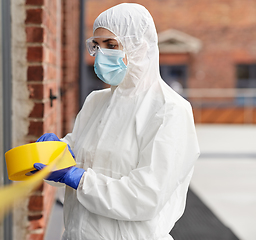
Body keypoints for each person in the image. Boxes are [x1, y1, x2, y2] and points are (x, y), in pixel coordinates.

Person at [33, 3, 200, 240]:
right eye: (97, 46)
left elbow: (146, 196)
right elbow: (79, 153)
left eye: (111, 45)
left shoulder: (169, 110)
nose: (102, 54)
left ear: (140, 47)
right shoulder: (96, 101)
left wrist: (79, 178)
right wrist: (56, 153)